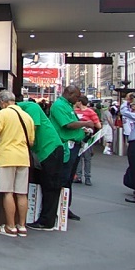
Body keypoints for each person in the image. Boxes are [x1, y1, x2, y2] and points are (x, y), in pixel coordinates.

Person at [0, 90, 35, 237]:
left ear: (2, 102)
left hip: (6, 156)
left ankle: (10, 227)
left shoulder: (3, 114)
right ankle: (22, 226)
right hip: (23, 157)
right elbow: (31, 141)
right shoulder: (27, 116)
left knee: (8, 192)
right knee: (22, 193)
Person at [18, 99, 65, 231]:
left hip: (50, 149)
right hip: (44, 151)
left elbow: (33, 130)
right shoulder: (23, 109)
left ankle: (47, 221)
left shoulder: (31, 107)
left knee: (51, 186)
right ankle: (45, 217)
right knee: (44, 183)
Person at [49, 86, 95, 221]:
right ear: (69, 93)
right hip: (66, 146)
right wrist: (85, 123)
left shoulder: (68, 105)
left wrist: (83, 129)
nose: (77, 100)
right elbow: (68, 124)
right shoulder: (58, 106)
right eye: (76, 96)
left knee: (68, 179)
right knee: (63, 177)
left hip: (74, 145)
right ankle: (58, 207)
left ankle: (65, 207)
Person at [74, 96, 101, 186]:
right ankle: (78, 176)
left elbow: (98, 125)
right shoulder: (75, 111)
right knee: (78, 157)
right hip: (77, 137)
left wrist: (88, 127)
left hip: (87, 137)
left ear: (80, 102)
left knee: (87, 158)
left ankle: (87, 177)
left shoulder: (91, 112)